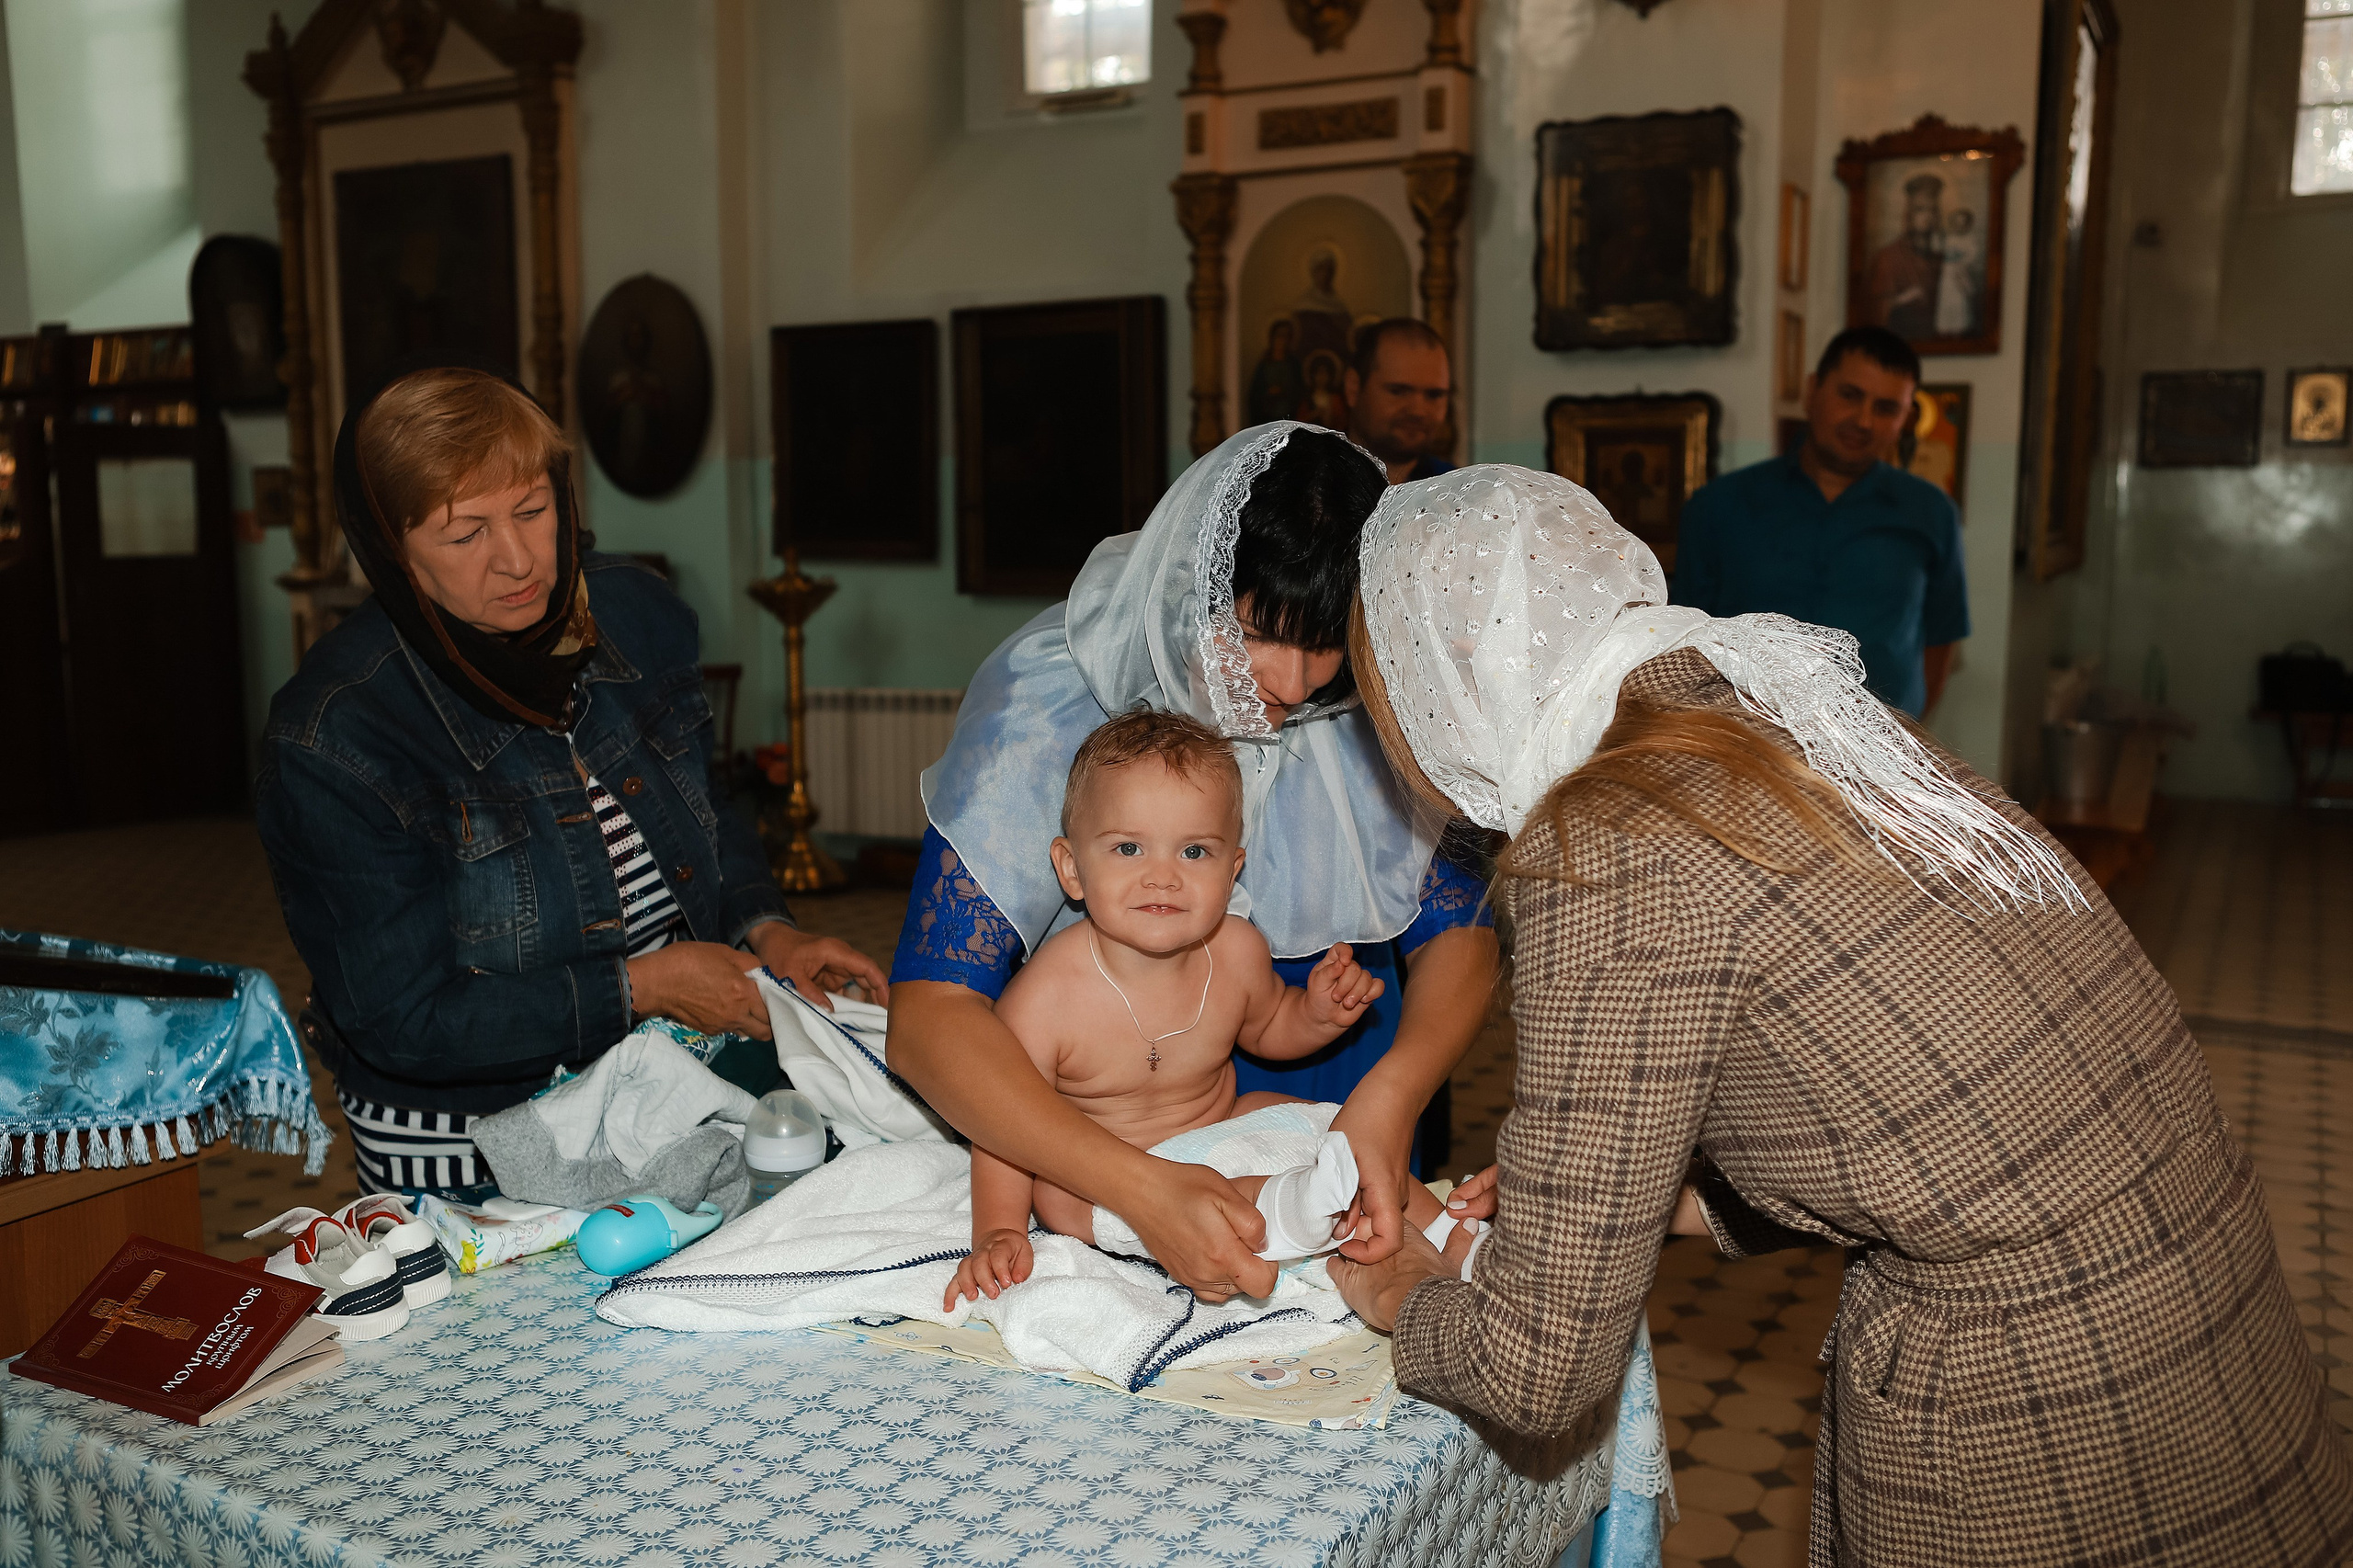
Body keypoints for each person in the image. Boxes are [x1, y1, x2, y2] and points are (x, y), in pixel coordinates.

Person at [1332, 465, 2353, 1565]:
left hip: (2041, 1393)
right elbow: (1903, 1062)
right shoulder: (1766, 697)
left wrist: (1401, 1294)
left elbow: (1538, 1366)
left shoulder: (1607, 840)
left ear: (1442, 679)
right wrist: (1670, 1199)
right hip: (2195, 1288)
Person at [889, 422, 1500, 1304]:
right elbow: (932, 1017)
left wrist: (1392, 1092)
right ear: (1194, 584)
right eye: (1259, 630)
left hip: (1331, 1065)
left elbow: (1462, 936)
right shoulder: (1049, 692)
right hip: (1099, 1114)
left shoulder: (1370, 692)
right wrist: (1138, 1189)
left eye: (1326, 642)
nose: (1292, 685)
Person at [257, 367, 886, 1200]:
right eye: (465, 534)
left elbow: (706, 807)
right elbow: (403, 1022)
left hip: (663, 1083)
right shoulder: (338, 733)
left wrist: (770, 934)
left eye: (531, 510)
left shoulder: (633, 615)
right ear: (392, 551)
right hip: (472, 1139)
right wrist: (643, 988)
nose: (518, 560)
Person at [948, 710, 1467, 1308]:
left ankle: (1453, 1233)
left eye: (1194, 851)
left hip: (1220, 1129)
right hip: (1110, 1181)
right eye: (1128, 848)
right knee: (1056, 1198)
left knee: (1332, 1122)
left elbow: (1271, 1025)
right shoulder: (1046, 996)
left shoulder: (1237, 951)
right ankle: (1306, 1220)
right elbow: (1004, 1128)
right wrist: (999, 1231)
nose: (1162, 877)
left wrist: (1318, 1015)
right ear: (1072, 869)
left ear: (1232, 870)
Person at [1673, 325, 1965, 719]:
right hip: (1745, 744)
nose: (1863, 421)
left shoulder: (1931, 513)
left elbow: (1941, 638)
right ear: (1813, 391)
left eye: (1885, 408)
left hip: (1879, 752)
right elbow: (1686, 634)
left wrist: (1909, 731)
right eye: (1850, 396)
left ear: (1905, 419)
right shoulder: (1719, 506)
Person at [1344, 318, 1454, 484]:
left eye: (1434, 395)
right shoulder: (1306, 482)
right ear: (1354, 388)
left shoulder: (1457, 490)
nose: (1418, 411)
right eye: (1399, 391)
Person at [1866, 171, 1946, 340]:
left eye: (1932, 210)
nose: (1927, 217)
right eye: (1920, 210)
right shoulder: (1888, 257)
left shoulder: (1942, 258)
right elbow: (1876, 314)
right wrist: (1903, 299)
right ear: (1909, 214)